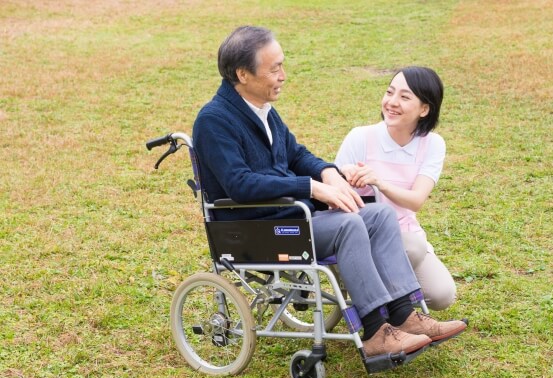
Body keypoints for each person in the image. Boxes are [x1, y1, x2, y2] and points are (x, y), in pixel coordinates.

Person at [192, 26, 466, 358]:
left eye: (282, 65)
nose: (283, 75)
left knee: (377, 214)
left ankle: (406, 317)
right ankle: (377, 330)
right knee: (349, 224)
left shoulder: (263, 110)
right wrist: (311, 186)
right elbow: (239, 184)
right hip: (257, 228)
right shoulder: (214, 120)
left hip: (288, 217)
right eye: (274, 68)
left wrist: (330, 173)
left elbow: (296, 155)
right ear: (242, 74)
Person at [334, 66, 457, 312]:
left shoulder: (432, 144)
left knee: (442, 295)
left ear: (424, 109)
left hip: (406, 234)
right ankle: (382, 306)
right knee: (412, 248)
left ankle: (378, 296)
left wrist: (379, 182)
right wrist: (347, 177)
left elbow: (416, 200)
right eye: (390, 92)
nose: (392, 102)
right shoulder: (361, 137)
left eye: (404, 97)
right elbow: (333, 192)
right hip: (362, 235)